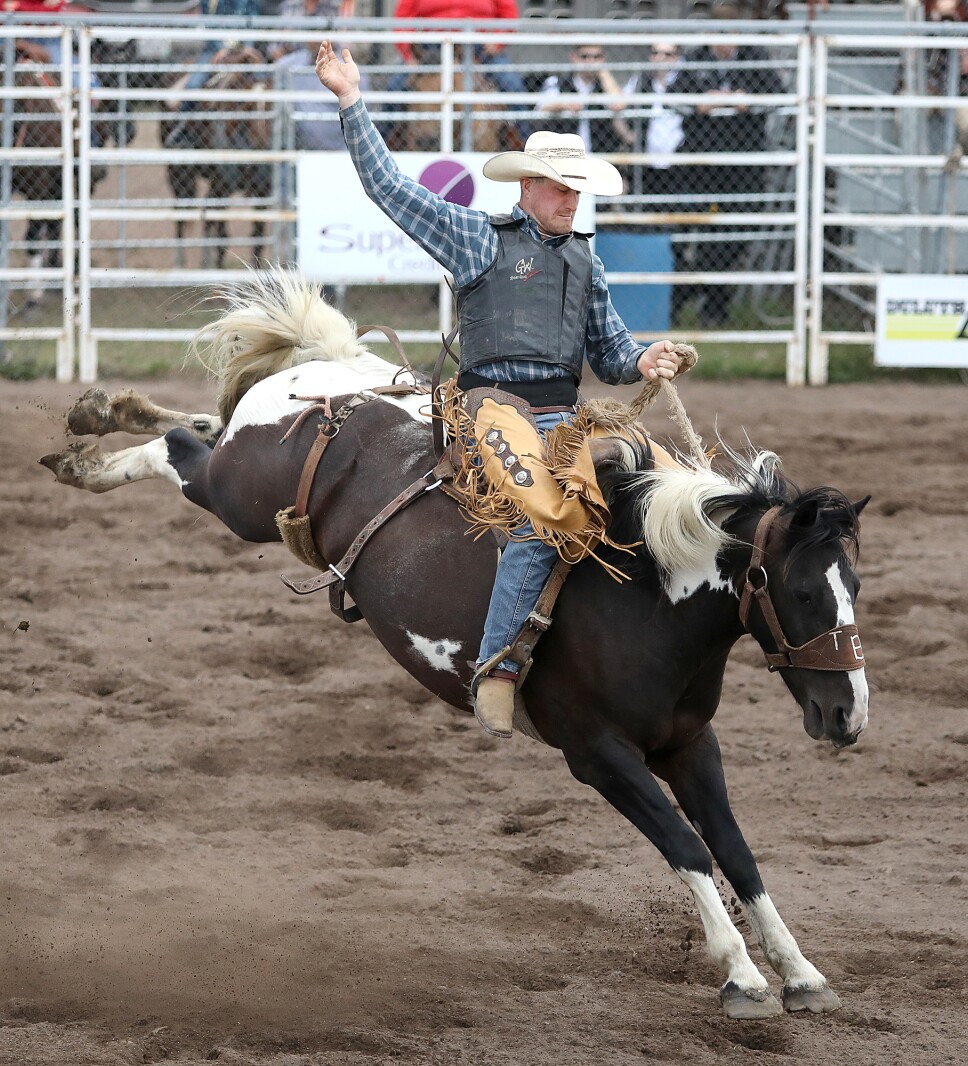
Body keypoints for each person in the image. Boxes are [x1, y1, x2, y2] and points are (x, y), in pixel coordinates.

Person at [314, 40, 685, 740]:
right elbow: (391, 190)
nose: (569, 199)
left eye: (576, 189)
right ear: (526, 188)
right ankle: (498, 665)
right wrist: (350, 100)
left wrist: (647, 359)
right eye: (557, 187)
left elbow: (611, 354)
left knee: (661, 486)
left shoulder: (587, 263)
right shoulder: (477, 238)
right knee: (544, 515)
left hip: (568, 419)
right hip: (492, 410)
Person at [668, 0, 784, 325]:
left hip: (744, 163)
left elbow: (778, 97)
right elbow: (674, 101)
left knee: (740, 230)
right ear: (708, 34)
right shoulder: (695, 59)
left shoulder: (755, 58)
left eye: (730, 33)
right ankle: (710, 306)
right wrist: (699, 104)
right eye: (718, 33)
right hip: (700, 163)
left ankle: (702, 291)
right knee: (699, 231)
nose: (724, 40)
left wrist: (746, 101)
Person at [164, 0, 264, 148]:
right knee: (193, 85)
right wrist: (222, 49)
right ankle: (184, 128)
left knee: (263, 83)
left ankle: (257, 133)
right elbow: (209, 24)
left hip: (243, 51)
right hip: (214, 51)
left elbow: (252, 20)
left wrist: (247, 47)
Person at [534, 43, 636, 157]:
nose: (590, 61)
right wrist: (564, 104)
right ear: (573, 57)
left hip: (599, 157)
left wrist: (603, 72)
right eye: (584, 57)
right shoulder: (558, 82)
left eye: (596, 57)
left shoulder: (605, 85)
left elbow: (619, 104)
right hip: (564, 156)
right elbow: (541, 108)